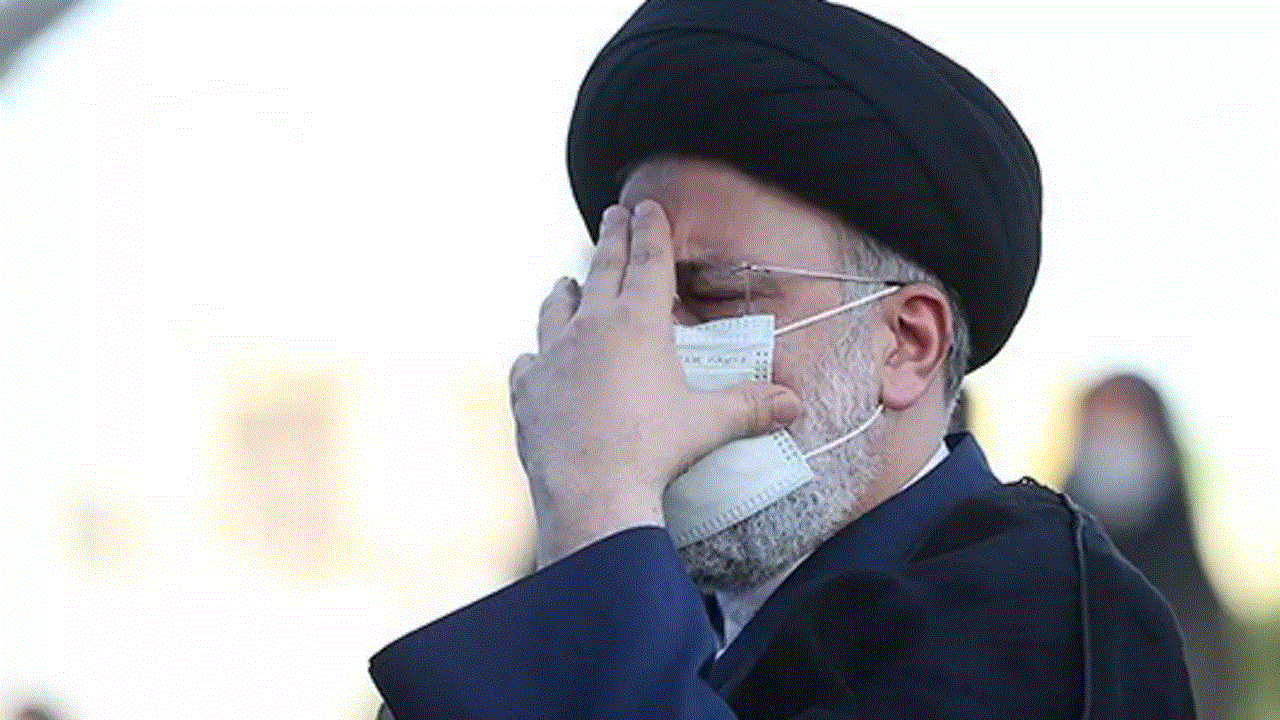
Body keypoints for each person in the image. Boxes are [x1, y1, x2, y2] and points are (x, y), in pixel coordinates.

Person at [369, 2, 1194, 718]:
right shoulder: (684, 610)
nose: (638, 354)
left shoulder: (1045, 623)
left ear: (906, 344)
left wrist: (600, 510)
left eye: (714, 292)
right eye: (625, 296)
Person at [1064, 373, 1237, 720]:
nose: (1112, 446)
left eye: (1125, 427)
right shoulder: (1041, 586)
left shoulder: (1196, 618)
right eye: (1101, 428)